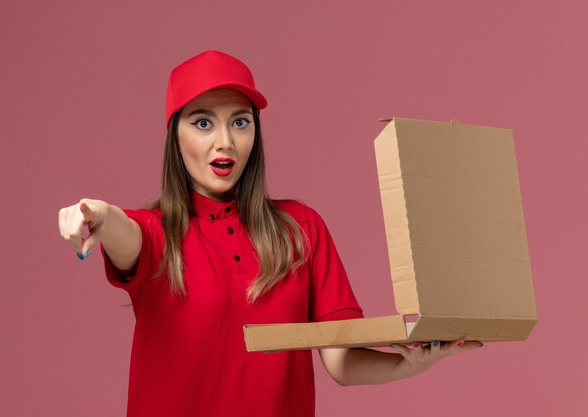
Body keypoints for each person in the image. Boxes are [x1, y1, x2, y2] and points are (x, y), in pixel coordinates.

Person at [58, 50, 482, 417]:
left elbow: (340, 360)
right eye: (203, 123)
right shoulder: (156, 234)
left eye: (240, 122)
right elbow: (122, 230)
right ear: (175, 135)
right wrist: (95, 213)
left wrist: (411, 364)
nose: (224, 141)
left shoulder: (301, 230)